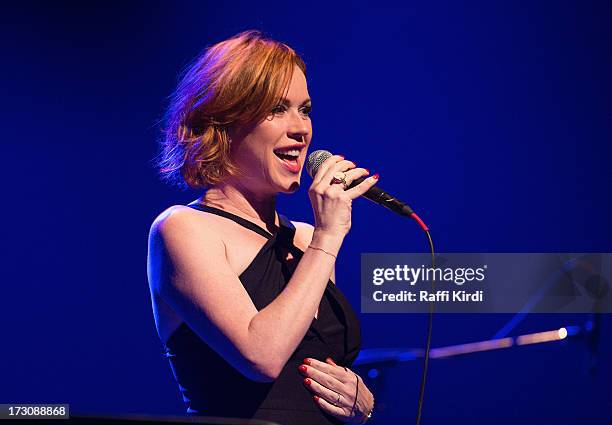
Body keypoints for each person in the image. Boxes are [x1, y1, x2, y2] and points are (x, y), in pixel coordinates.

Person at [147, 30, 377, 425]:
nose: (301, 128)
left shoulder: (305, 238)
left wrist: (359, 400)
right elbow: (263, 355)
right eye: (276, 109)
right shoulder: (183, 229)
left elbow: (317, 372)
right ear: (224, 121)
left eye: (304, 110)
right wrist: (328, 237)